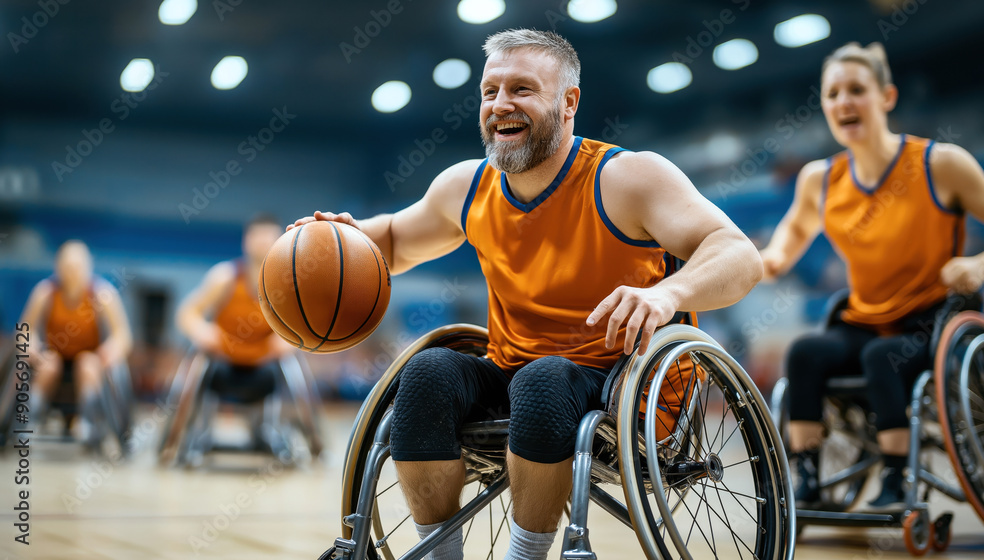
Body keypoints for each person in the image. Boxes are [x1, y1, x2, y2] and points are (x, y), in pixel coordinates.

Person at [291, 30, 762, 560]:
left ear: (568, 103)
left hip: (625, 383)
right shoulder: (468, 186)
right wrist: (340, 242)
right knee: (425, 375)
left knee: (544, 379)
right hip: (515, 373)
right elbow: (396, 240)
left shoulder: (628, 178)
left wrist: (667, 293)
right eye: (490, 92)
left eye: (521, 90)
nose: (500, 105)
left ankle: (525, 554)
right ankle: (440, 552)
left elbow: (740, 255)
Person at [760, 42, 984, 510]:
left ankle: (896, 476)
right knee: (805, 353)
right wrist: (725, 262)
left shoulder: (940, 164)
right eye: (832, 94)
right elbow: (778, 257)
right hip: (865, 316)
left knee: (882, 358)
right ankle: (808, 476)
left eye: (856, 90)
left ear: (886, 97)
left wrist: (982, 265)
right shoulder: (820, 179)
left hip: (932, 316)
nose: (843, 102)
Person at [19, 240, 132, 443]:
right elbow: (25, 330)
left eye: (77, 267)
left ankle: (88, 422)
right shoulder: (45, 292)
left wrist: (111, 350)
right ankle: (30, 418)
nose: (72, 272)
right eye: (67, 266)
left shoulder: (103, 295)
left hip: (89, 356)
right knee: (48, 365)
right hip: (54, 354)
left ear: (88, 267)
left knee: (87, 365)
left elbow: (123, 335)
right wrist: (30, 344)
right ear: (58, 267)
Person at [176, 214, 294, 407]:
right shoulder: (224, 277)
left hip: (264, 362)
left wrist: (288, 342)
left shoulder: (288, 284)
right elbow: (186, 312)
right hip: (222, 359)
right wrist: (202, 331)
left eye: (269, 237)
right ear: (246, 241)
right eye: (258, 236)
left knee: (290, 360)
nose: (263, 242)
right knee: (195, 366)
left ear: (280, 242)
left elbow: (301, 331)